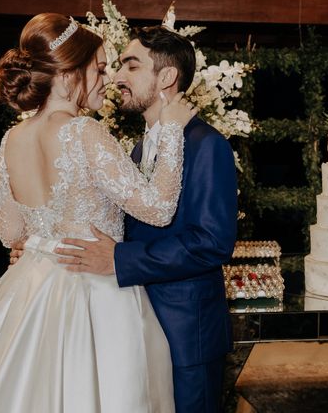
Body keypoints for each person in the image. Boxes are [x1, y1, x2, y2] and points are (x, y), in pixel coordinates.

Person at [0, 13, 197, 412]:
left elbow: (10, 232)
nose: (108, 79)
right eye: (100, 68)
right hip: (95, 293)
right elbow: (157, 210)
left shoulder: (9, 140)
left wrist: (34, 245)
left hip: (29, 289)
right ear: (69, 74)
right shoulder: (83, 132)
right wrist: (172, 130)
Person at [36, 26, 238, 412]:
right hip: (133, 327)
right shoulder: (138, 149)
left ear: (166, 77)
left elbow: (211, 242)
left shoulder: (207, 145)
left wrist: (119, 260)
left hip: (186, 336)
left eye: (131, 66)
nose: (116, 77)